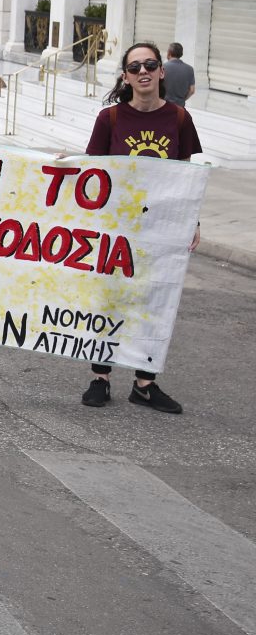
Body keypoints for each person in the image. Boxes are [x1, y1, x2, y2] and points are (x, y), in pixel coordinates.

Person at [80, 42, 201, 415]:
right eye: (135, 67)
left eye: (150, 64)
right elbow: (92, 173)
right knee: (111, 300)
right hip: (117, 228)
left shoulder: (179, 119)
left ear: (162, 72)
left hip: (162, 229)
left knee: (154, 302)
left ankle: (144, 384)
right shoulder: (110, 119)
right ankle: (101, 377)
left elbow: (186, 176)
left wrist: (193, 221)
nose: (143, 71)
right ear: (125, 76)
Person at [163, 42, 196, 107]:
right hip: (180, 106)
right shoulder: (189, 69)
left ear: (169, 53)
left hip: (164, 105)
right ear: (181, 54)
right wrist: (182, 100)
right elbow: (192, 90)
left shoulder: (162, 68)